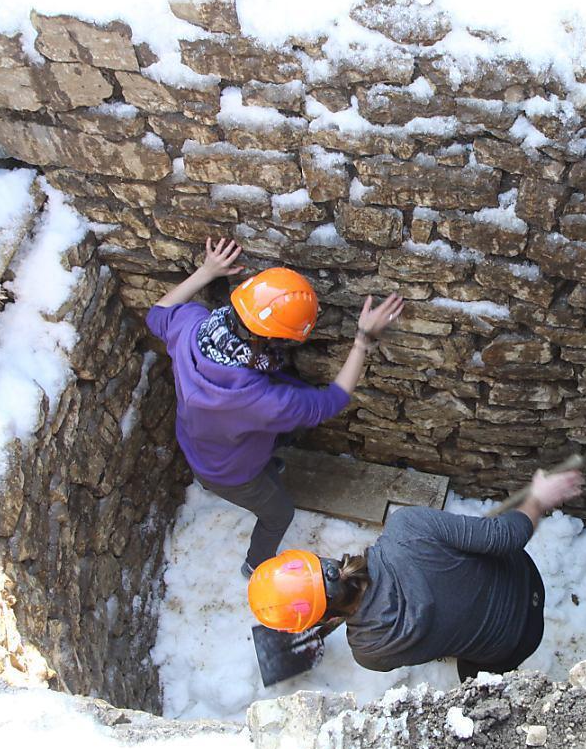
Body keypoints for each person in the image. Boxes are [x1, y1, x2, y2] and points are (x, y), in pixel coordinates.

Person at [146, 236, 404, 577]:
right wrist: (362, 341)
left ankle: (262, 468)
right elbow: (330, 401)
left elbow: (156, 314)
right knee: (279, 514)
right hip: (231, 473)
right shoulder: (263, 402)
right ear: (271, 341)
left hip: (199, 441)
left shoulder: (192, 326)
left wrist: (207, 272)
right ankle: (255, 564)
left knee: (267, 455)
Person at [247, 467, 585, 681]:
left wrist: (336, 612)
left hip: (513, 646)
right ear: (321, 558)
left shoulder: (371, 652)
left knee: (470, 674)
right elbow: (504, 537)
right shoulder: (408, 528)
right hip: (525, 578)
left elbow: (370, 605)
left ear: (320, 621)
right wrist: (538, 499)